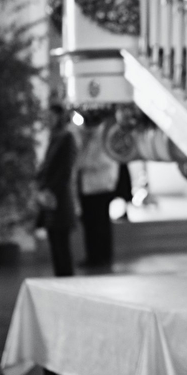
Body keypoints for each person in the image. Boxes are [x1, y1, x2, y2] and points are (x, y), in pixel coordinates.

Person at [35, 102, 78, 277]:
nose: (49, 120)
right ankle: (60, 278)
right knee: (55, 243)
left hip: (59, 198)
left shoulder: (66, 138)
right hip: (50, 197)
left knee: (61, 245)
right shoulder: (55, 137)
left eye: (52, 117)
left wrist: (51, 191)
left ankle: (66, 280)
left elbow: (64, 170)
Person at [75, 111, 120, 269]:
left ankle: (103, 257)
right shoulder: (85, 136)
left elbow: (105, 160)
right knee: (89, 224)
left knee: (101, 224)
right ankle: (92, 256)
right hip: (87, 186)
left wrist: (84, 164)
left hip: (101, 187)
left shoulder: (104, 136)